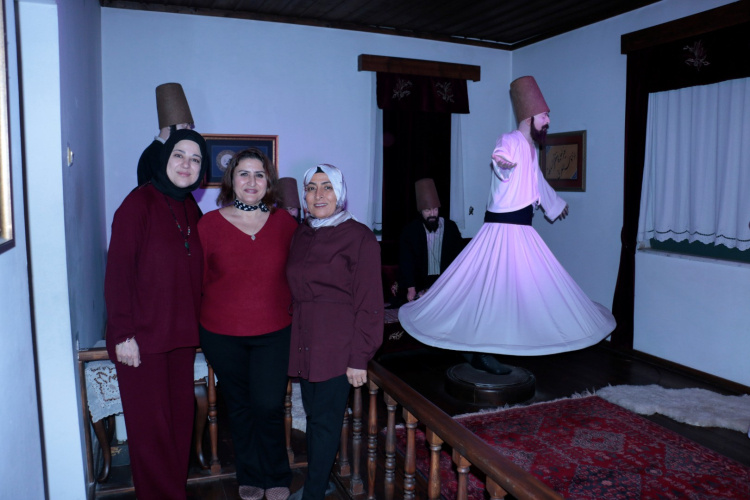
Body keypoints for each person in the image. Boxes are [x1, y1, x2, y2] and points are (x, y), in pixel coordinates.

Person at [398, 76, 616, 357]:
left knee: (527, 288)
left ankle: (510, 341)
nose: (548, 120)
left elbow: (537, 181)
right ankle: (487, 347)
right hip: (503, 230)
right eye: (544, 115)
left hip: (523, 230)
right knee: (494, 289)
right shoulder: (510, 140)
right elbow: (501, 156)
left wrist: (554, 203)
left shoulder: (531, 149)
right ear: (529, 117)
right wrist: (501, 163)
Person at [105, 129, 208, 499]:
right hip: (141, 340)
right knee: (151, 432)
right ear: (165, 158)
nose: (186, 164)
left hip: (181, 338)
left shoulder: (192, 208)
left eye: (195, 159)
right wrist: (122, 335)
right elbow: (118, 274)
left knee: (179, 426)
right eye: (179, 155)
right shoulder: (137, 204)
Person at [198, 148, 298, 500]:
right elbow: (198, 281)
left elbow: (300, 276)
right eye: (244, 173)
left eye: (259, 174)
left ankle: (277, 475)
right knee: (239, 408)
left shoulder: (286, 224)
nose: (251, 181)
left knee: (269, 406)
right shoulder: (208, 225)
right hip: (221, 334)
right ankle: (250, 475)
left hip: (275, 333)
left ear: (268, 181)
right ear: (232, 180)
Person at [286, 164, 383, 500]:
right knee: (315, 420)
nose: (319, 195)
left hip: (338, 346)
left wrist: (359, 357)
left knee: (325, 424)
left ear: (339, 192)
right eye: (311, 188)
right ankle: (322, 480)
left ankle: (313, 493)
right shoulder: (302, 233)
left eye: (327, 186)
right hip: (306, 342)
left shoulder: (360, 237)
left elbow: (370, 303)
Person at [395, 178, 463, 304]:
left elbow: (459, 257)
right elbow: (406, 261)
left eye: (435, 209)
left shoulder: (450, 228)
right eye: (427, 210)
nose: (432, 214)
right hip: (420, 282)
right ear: (420, 211)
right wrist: (411, 288)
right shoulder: (410, 231)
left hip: (445, 280)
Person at [137, 83, 195, 187]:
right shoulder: (154, 154)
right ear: (169, 126)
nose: (188, 130)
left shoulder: (168, 151)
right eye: (184, 125)